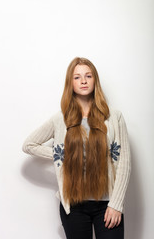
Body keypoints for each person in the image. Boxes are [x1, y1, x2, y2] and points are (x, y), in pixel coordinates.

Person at [22, 57, 131, 239]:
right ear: (70, 83)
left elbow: (124, 163)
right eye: (77, 77)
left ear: (95, 80)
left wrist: (116, 204)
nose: (83, 81)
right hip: (73, 207)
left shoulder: (114, 117)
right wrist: (64, 155)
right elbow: (29, 145)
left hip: (107, 204)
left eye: (88, 76)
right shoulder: (60, 119)